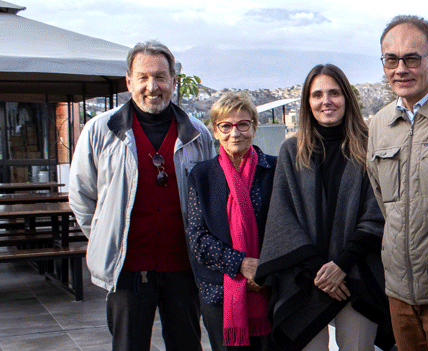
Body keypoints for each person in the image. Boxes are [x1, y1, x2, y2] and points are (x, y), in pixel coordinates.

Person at [69, 40, 215, 351]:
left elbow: (210, 196)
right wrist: (106, 236)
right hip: (127, 270)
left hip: (183, 268)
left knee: (187, 346)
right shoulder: (100, 131)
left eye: (161, 77)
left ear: (173, 81)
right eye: (143, 77)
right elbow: (81, 195)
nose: (152, 87)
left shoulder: (198, 135)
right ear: (129, 81)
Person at [255, 64, 392, 351]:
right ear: (307, 102)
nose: (326, 101)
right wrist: (320, 269)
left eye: (334, 93)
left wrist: (342, 265)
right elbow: (282, 217)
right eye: (317, 95)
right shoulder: (292, 151)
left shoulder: (368, 146)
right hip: (307, 278)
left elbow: (377, 210)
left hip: (357, 273)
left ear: (347, 98)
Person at [366, 15, 428, 351]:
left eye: (411, 58)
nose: (400, 69)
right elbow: (383, 201)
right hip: (398, 294)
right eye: (391, 60)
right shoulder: (379, 124)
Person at [185, 92, 276, 350]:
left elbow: (285, 227)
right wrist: (241, 264)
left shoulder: (275, 170)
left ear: (254, 127)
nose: (234, 133)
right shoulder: (202, 176)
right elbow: (197, 237)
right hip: (220, 293)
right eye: (225, 126)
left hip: (269, 287)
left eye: (243, 124)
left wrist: (263, 269)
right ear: (215, 131)